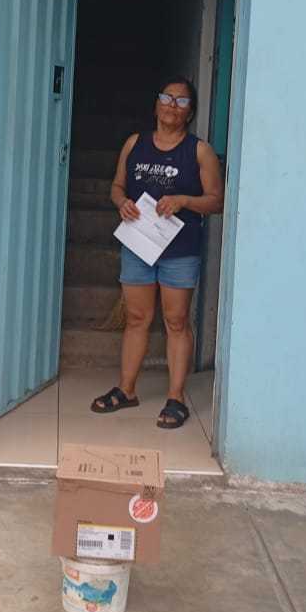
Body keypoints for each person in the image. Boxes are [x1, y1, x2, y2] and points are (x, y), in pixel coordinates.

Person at [90, 77, 224, 429]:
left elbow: (216, 201)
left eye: (181, 101)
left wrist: (184, 201)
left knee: (176, 321)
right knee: (137, 318)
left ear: (190, 112)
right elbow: (117, 187)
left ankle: (176, 398)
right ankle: (127, 390)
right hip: (138, 244)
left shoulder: (199, 151)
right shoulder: (135, 144)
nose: (172, 105)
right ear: (156, 105)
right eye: (166, 97)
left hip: (179, 250)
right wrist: (122, 203)